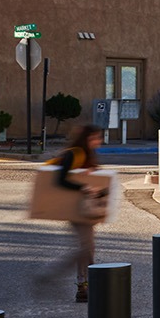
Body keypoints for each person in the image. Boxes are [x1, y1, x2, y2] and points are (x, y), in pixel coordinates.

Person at [37, 124, 109, 302]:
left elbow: (97, 185)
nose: (99, 141)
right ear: (87, 138)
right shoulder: (74, 153)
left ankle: (84, 287)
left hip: (85, 208)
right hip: (75, 208)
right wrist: (84, 186)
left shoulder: (86, 155)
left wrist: (95, 185)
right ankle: (52, 274)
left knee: (88, 248)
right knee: (86, 248)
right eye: (96, 138)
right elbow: (60, 180)